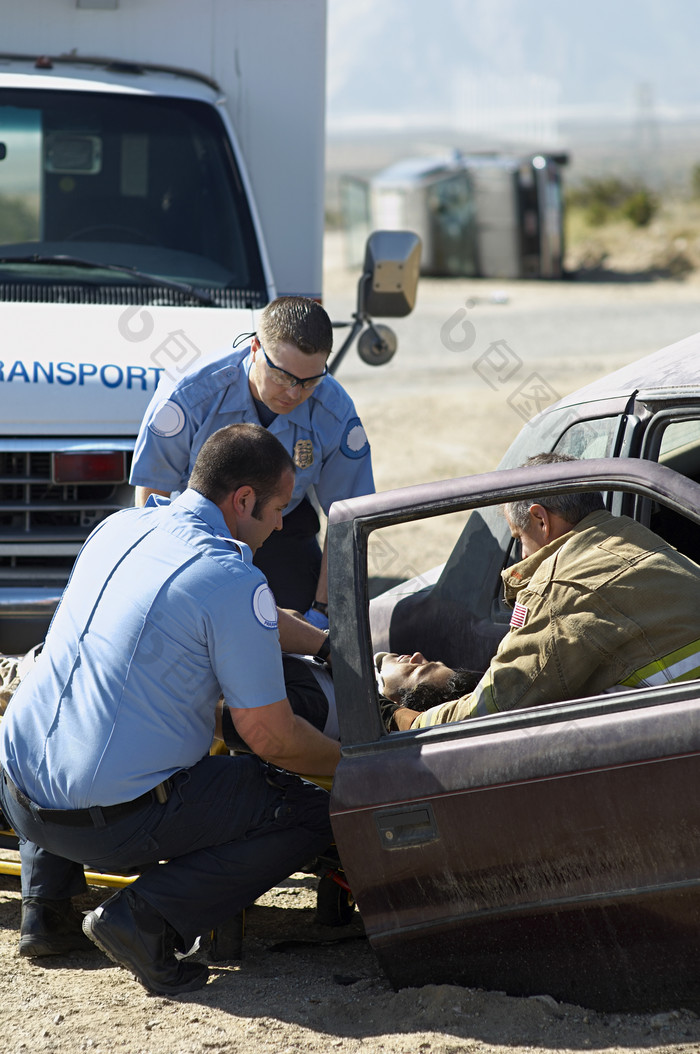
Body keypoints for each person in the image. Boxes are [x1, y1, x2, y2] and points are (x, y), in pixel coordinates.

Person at [0, 423, 339, 995]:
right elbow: (271, 736)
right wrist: (351, 766)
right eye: (280, 508)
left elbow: (222, 603)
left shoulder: (121, 528)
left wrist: (323, 643)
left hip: (17, 794)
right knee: (303, 810)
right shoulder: (234, 578)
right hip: (105, 823)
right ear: (244, 500)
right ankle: (144, 919)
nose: (283, 523)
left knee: (80, 707)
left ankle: (46, 910)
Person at [390, 453, 700, 731]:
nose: (522, 557)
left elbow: (494, 707)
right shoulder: (639, 538)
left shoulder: (558, 590)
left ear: (540, 519)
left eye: (518, 538)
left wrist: (408, 721)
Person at [129, 296, 374, 622]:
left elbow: (349, 516)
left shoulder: (334, 410)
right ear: (255, 348)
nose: (293, 393)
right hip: (197, 531)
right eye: (282, 376)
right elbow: (151, 496)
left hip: (279, 527)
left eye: (310, 381)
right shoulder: (190, 396)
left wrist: (322, 612)